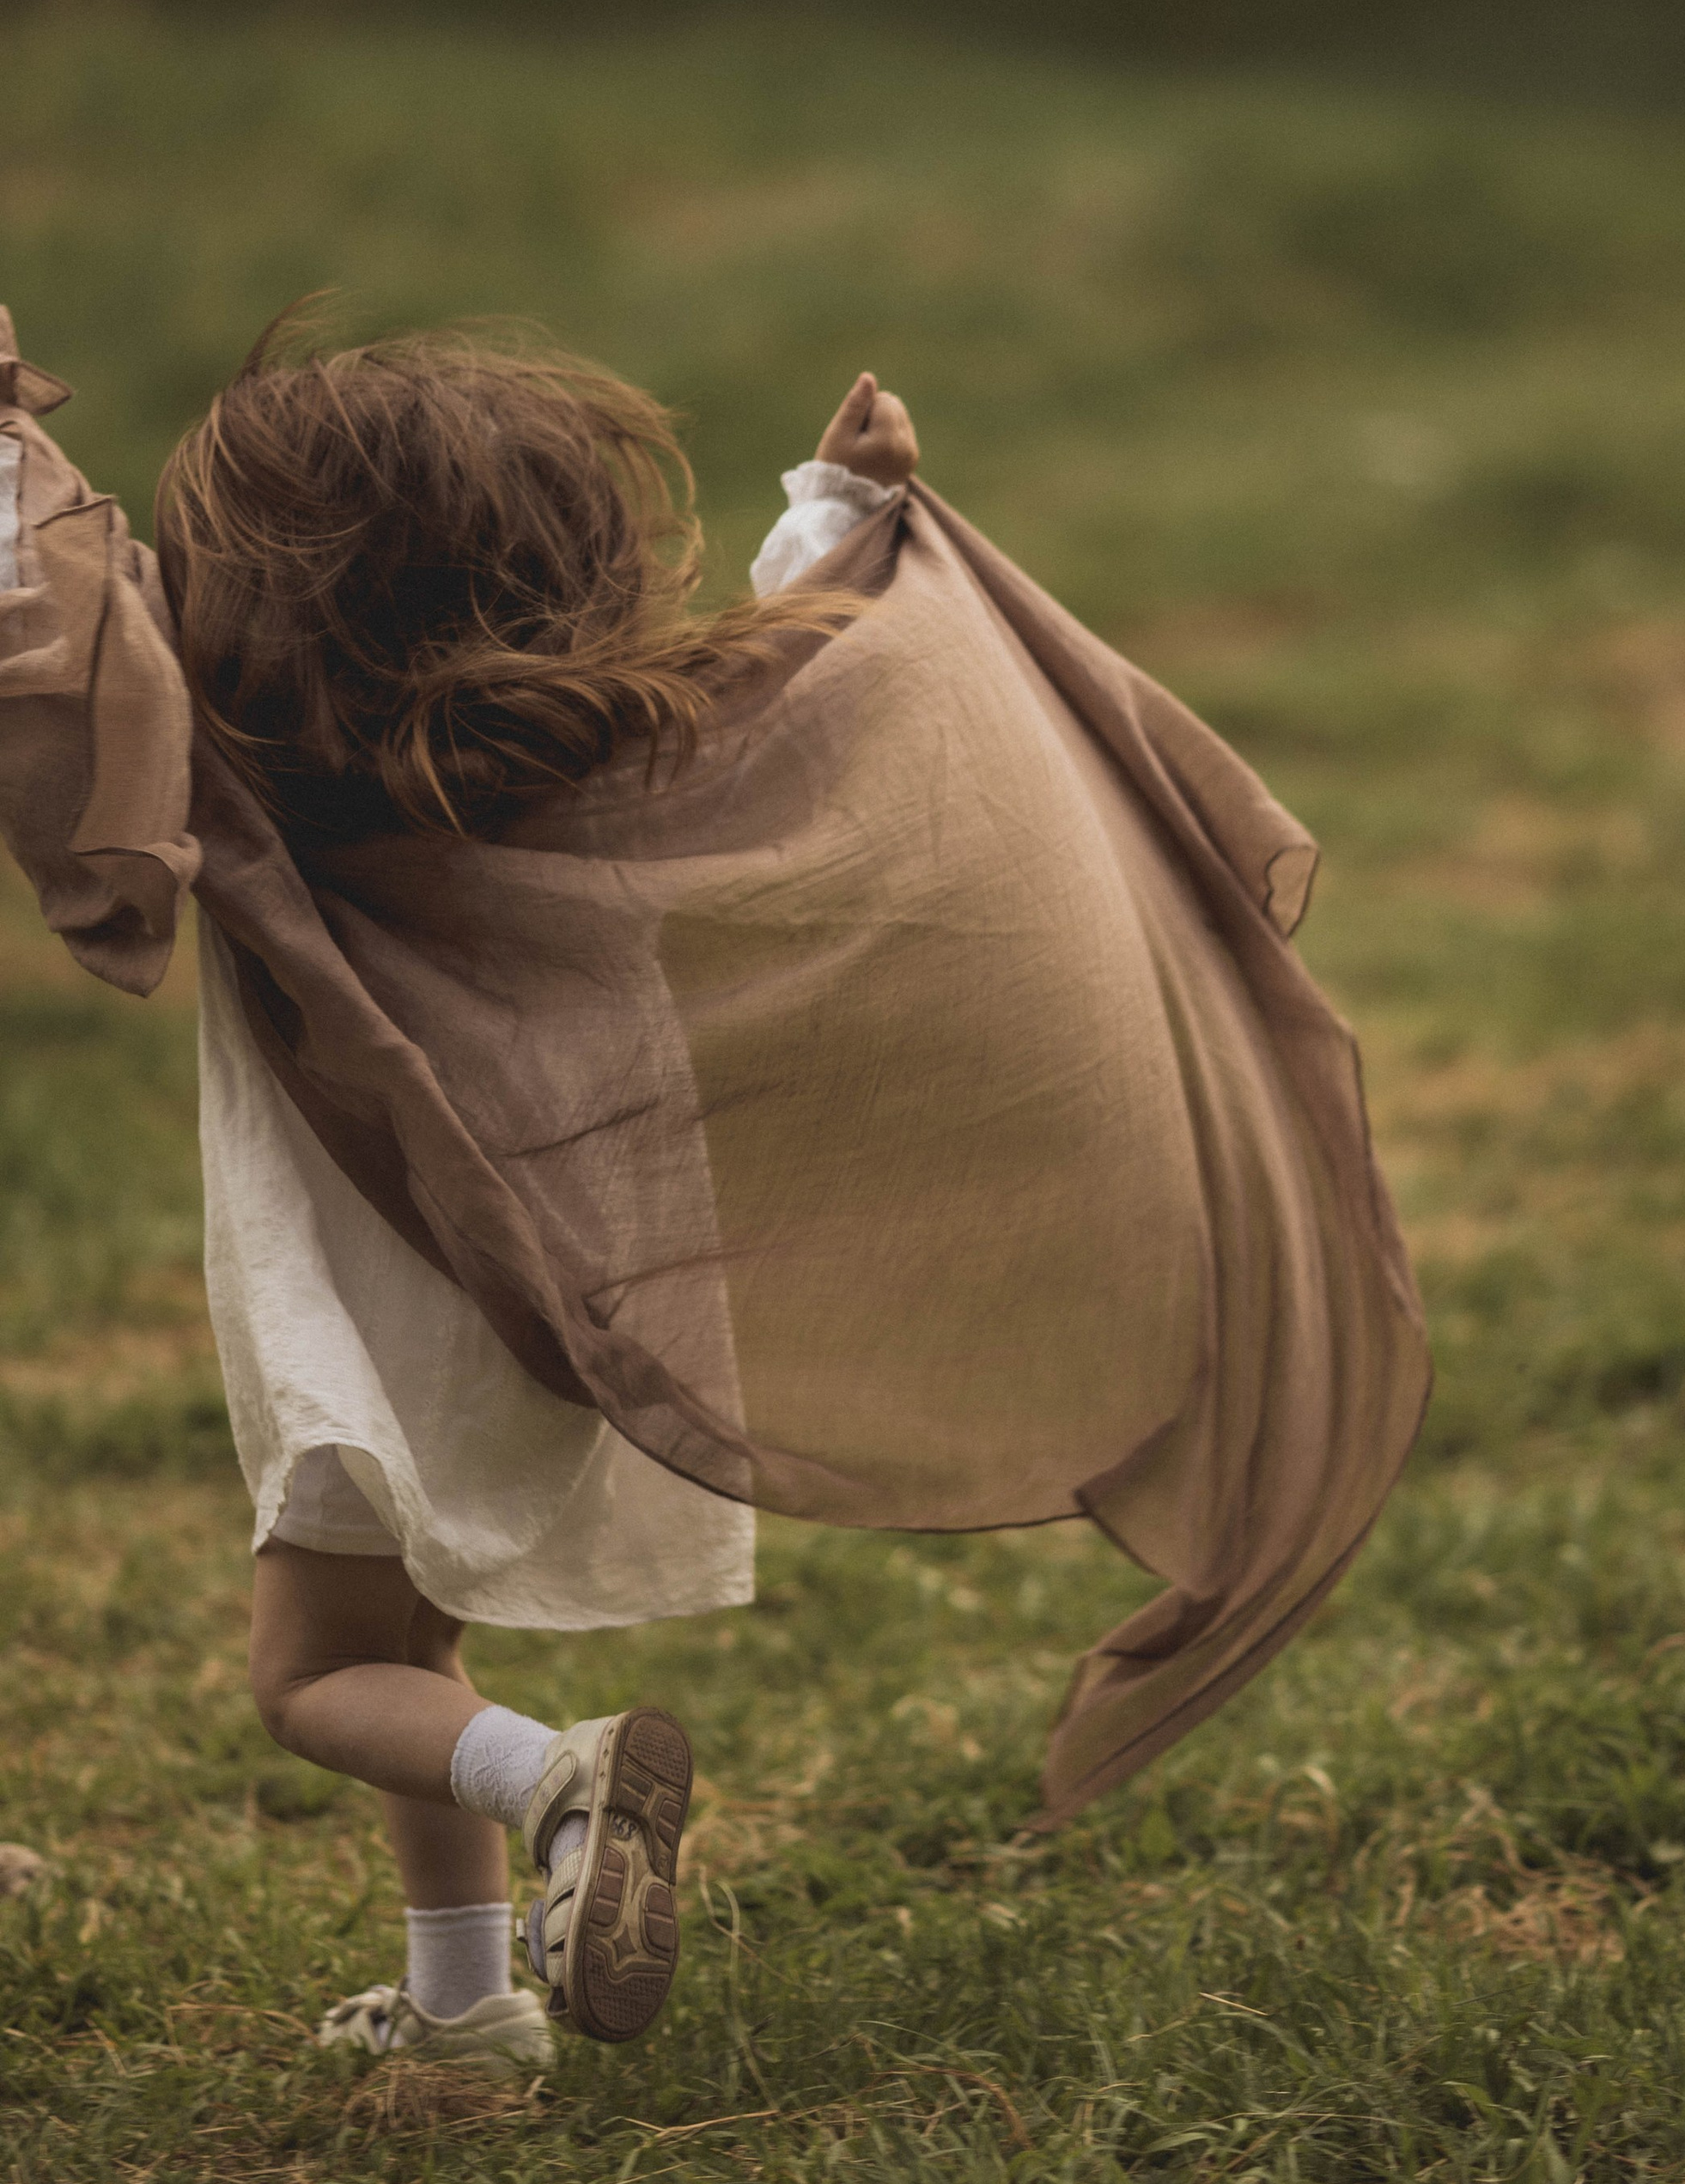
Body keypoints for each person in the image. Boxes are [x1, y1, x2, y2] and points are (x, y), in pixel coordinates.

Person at [0, 311, 1426, 2076]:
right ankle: (460, 2011)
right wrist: (843, 514)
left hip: (377, 1320)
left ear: (269, 612)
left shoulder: (242, 783)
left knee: (316, 1675)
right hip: (561, 1296)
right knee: (414, 1640)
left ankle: (560, 1782)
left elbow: (52, 627)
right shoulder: (588, 767)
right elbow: (798, 712)